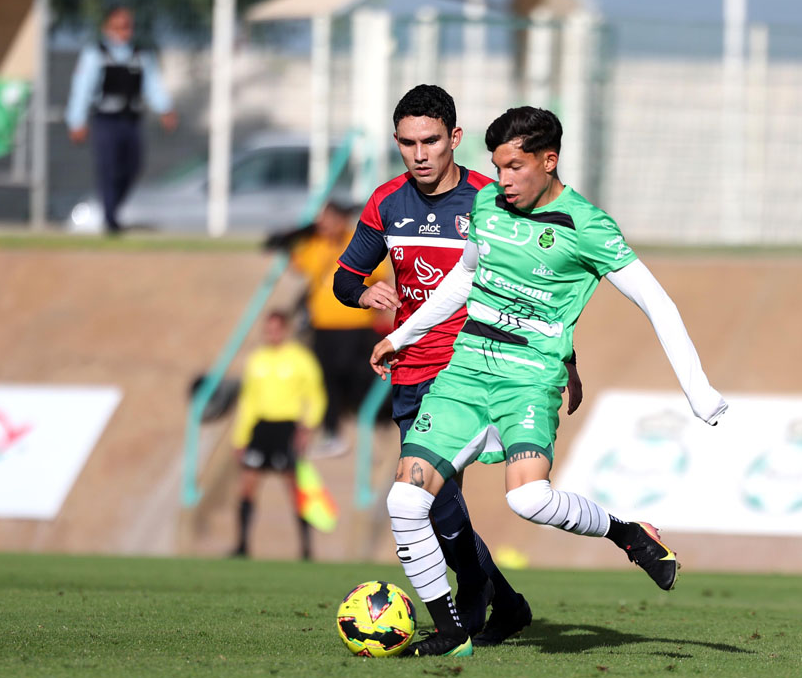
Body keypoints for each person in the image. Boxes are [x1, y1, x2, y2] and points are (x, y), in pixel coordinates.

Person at [369, 106, 728, 657]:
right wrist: (406, 335)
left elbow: (657, 303)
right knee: (404, 501)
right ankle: (450, 631)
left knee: (530, 500)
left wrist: (698, 391)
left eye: (514, 167)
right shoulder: (487, 204)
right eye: (497, 166)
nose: (503, 179)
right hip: (464, 371)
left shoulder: (588, 226)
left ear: (549, 160)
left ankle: (627, 533)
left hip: (529, 380)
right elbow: (465, 277)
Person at [333, 85, 583, 647]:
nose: (420, 154)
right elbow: (345, 277)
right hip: (411, 372)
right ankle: (506, 604)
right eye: (407, 143)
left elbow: (538, 285)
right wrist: (366, 292)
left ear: (455, 139)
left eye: (431, 141)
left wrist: (567, 358)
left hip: (475, 369)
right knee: (440, 506)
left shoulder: (491, 199)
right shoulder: (385, 203)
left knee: (436, 502)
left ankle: (466, 613)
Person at [65, 5, 177, 234]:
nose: (123, 31)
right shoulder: (94, 54)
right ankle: (110, 219)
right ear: (107, 28)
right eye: (118, 26)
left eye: (127, 26)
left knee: (133, 166)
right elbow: (82, 89)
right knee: (108, 168)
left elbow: (153, 86)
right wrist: (76, 121)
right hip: (106, 121)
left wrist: (166, 108)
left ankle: (112, 209)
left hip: (131, 121)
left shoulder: (141, 55)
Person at [291, 201, 391, 456]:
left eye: (329, 219)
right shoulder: (314, 244)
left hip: (356, 325)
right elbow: (298, 266)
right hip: (324, 327)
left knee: (357, 374)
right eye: (321, 221)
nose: (324, 225)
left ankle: (376, 421)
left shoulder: (358, 242)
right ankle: (332, 432)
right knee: (326, 379)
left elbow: (380, 276)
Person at [231, 309, 327, 560]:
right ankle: (241, 545)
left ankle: (306, 548)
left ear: (284, 329)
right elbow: (248, 400)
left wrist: (307, 427)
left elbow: (316, 395)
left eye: (276, 328)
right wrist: (240, 437)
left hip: (287, 427)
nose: (271, 333)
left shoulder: (300, 359)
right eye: (268, 329)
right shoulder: (257, 359)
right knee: (247, 484)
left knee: (293, 486)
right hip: (261, 427)